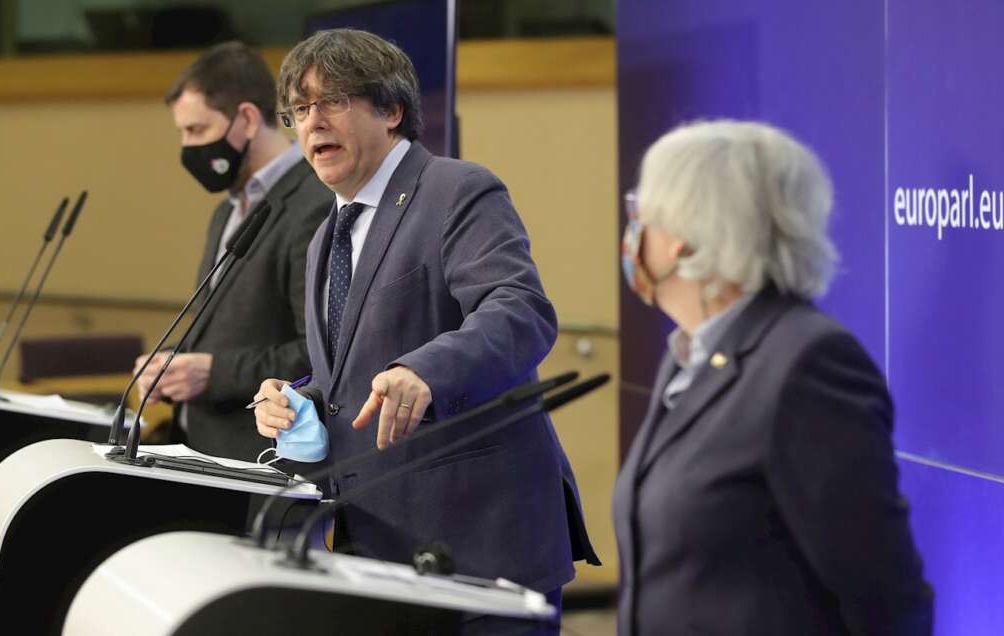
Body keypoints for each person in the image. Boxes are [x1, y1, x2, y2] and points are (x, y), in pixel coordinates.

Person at [252, 29, 599, 633]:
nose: (312, 123)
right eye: (300, 110)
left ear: (391, 110)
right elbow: (350, 375)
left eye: (332, 101)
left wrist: (425, 371)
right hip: (377, 547)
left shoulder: (456, 190)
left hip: (479, 548)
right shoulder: (323, 240)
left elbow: (518, 308)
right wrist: (295, 400)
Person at [614, 120, 933, 635]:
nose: (633, 234)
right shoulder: (689, 353)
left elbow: (886, 595)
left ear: (685, 237)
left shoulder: (809, 365)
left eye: (640, 213)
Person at [133, 42, 332, 462]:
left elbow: (318, 350)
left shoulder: (315, 202)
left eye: (197, 130)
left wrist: (212, 373)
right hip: (200, 447)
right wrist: (173, 368)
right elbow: (224, 330)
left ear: (245, 119)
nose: (188, 147)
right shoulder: (228, 207)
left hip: (260, 458)